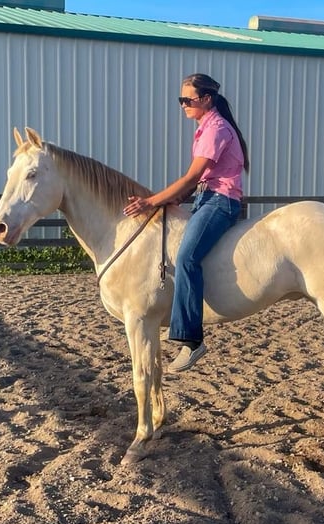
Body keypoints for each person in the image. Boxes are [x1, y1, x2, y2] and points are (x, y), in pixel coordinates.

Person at [123, 73, 250, 373]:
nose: (182, 105)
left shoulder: (217, 129)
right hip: (206, 199)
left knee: (187, 256)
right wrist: (176, 200)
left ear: (206, 99)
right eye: (181, 100)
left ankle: (192, 341)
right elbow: (199, 180)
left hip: (221, 202)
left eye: (187, 100)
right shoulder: (206, 128)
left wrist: (152, 201)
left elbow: (192, 176)